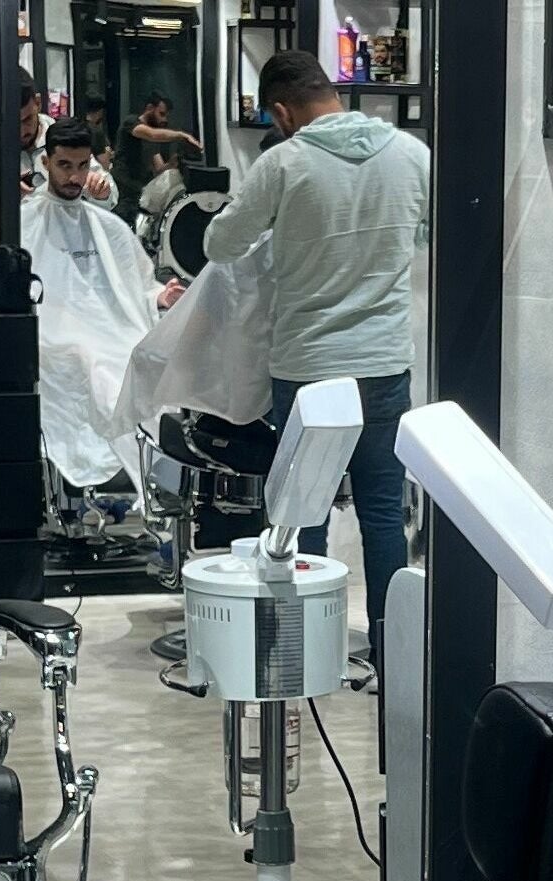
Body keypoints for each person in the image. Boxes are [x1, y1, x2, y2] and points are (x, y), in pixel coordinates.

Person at [203, 50, 429, 670]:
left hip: (308, 366)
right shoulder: (412, 155)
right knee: (383, 515)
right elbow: (425, 234)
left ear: (281, 112)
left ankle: (308, 654)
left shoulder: (284, 163)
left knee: (304, 516)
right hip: (383, 363)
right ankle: (391, 657)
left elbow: (219, 243)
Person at [24, 121, 162, 489]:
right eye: (64, 165)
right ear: (45, 164)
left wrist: (158, 296)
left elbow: (138, 284)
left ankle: (156, 476)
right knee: (90, 362)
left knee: (142, 358)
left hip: (111, 329)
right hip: (55, 333)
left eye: (82, 166)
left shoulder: (107, 226)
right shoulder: (24, 222)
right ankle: (110, 475)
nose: (75, 177)